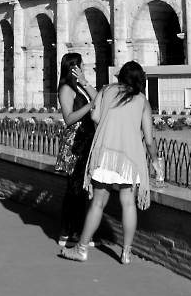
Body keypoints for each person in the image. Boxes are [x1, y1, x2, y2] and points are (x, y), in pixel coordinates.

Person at [61, 60, 156, 266]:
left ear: (121, 76)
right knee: (129, 204)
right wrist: (156, 161)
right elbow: (149, 139)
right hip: (130, 157)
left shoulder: (107, 90)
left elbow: (95, 116)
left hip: (105, 152)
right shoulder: (142, 100)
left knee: (97, 202)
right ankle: (126, 253)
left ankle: (81, 249)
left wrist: (107, 125)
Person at [55, 53, 97, 249]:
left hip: (86, 139)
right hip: (74, 142)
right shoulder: (65, 89)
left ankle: (76, 231)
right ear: (74, 67)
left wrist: (85, 82)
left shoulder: (79, 86)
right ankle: (67, 231)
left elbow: (99, 99)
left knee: (81, 188)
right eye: (81, 65)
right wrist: (89, 106)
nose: (84, 66)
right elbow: (69, 118)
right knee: (74, 189)